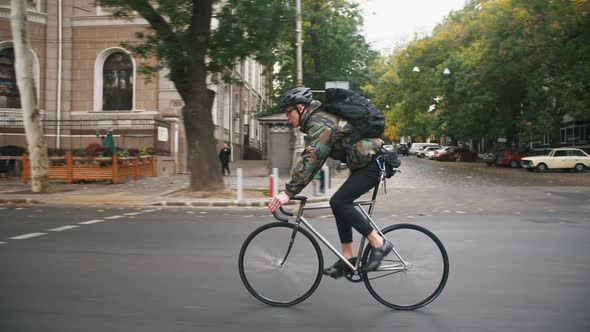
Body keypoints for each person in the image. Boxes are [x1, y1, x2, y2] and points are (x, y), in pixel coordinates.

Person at [267, 87, 393, 279]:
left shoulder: (319, 123)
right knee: (339, 203)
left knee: (340, 202)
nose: (287, 117)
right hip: (365, 163)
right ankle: (348, 258)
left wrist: (288, 193)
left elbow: (312, 158)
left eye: (288, 112)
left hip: (373, 164)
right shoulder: (317, 120)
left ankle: (379, 243)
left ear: (300, 108)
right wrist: (293, 189)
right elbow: (316, 158)